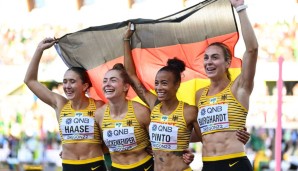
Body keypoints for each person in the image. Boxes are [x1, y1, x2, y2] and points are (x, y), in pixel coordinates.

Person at [124, 25, 201, 171]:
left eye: (164, 83)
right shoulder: (154, 105)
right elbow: (131, 76)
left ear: (177, 84)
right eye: (157, 83)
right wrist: (126, 39)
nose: (159, 87)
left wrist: (189, 154)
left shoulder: (190, 111)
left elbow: (208, 139)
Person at [24, 38, 107, 171]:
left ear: (85, 86)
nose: (67, 86)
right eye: (65, 82)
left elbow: (111, 137)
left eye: (72, 81)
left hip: (94, 165)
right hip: (69, 166)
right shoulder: (60, 104)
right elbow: (30, 80)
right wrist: (39, 49)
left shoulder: (98, 106)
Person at [195, 0, 258, 170]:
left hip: (234, 163)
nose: (209, 62)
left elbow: (252, 50)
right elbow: (200, 134)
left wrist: (240, 8)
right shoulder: (200, 94)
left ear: (228, 62)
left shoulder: (240, 87)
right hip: (207, 165)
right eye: (206, 58)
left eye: (215, 57)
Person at [95, 63, 154, 171]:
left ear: (126, 86)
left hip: (144, 167)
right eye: (105, 81)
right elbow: (101, 146)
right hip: (116, 167)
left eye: (113, 80)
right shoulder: (99, 115)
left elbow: (160, 142)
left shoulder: (141, 112)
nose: (107, 84)